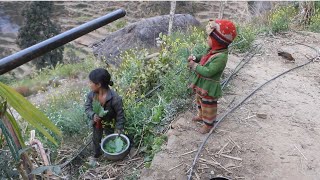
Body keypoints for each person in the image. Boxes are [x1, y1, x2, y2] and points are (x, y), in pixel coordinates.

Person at [187, 19, 237, 134]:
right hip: (202, 84)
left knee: (209, 105)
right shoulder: (212, 50)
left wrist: (194, 66)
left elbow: (209, 71)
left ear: (218, 42)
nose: (207, 39)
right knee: (199, 101)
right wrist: (195, 58)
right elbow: (203, 56)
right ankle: (201, 115)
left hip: (209, 87)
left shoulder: (221, 57)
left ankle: (208, 124)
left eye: (209, 38)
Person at [85, 68, 125, 160]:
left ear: (98, 84)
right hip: (97, 123)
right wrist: (93, 115)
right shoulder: (91, 95)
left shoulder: (115, 98)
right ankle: (96, 155)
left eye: (91, 82)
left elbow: (120, 115)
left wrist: (118, 129)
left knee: (110, 138)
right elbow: (87, 107)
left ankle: (110, 155)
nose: (89, 85)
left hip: (110, 122)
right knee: (96, 139)